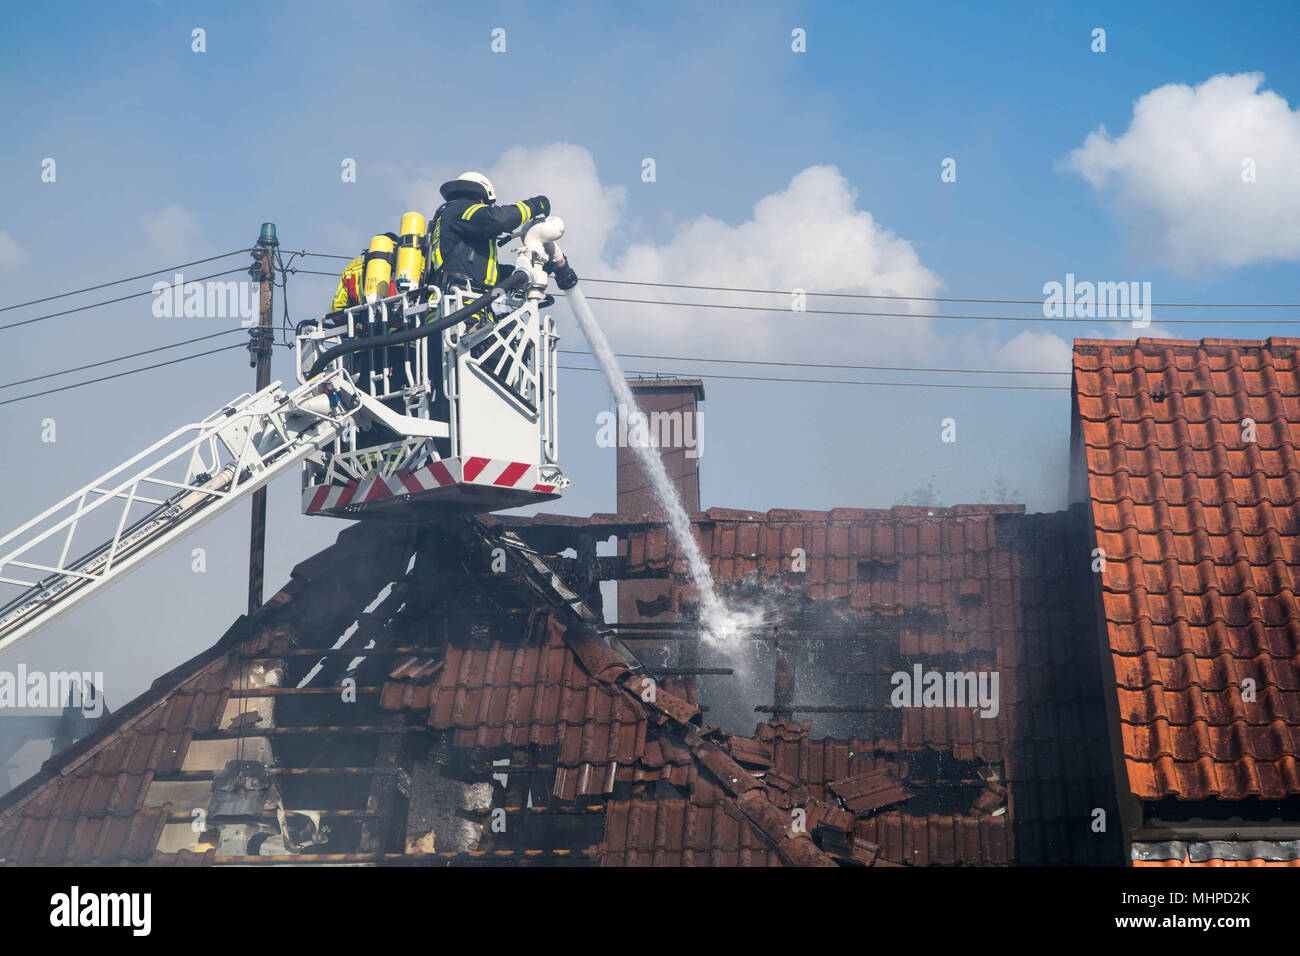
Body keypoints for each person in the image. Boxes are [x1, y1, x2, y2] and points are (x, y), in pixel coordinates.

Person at [429, 171, 550, 291]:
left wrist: (529, 271)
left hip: (460, 300)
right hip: (463, 300)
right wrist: (534, 205)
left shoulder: (450, 218)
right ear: (482, 199)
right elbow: (500, 219)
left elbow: (480, 272)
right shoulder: (462, 207)